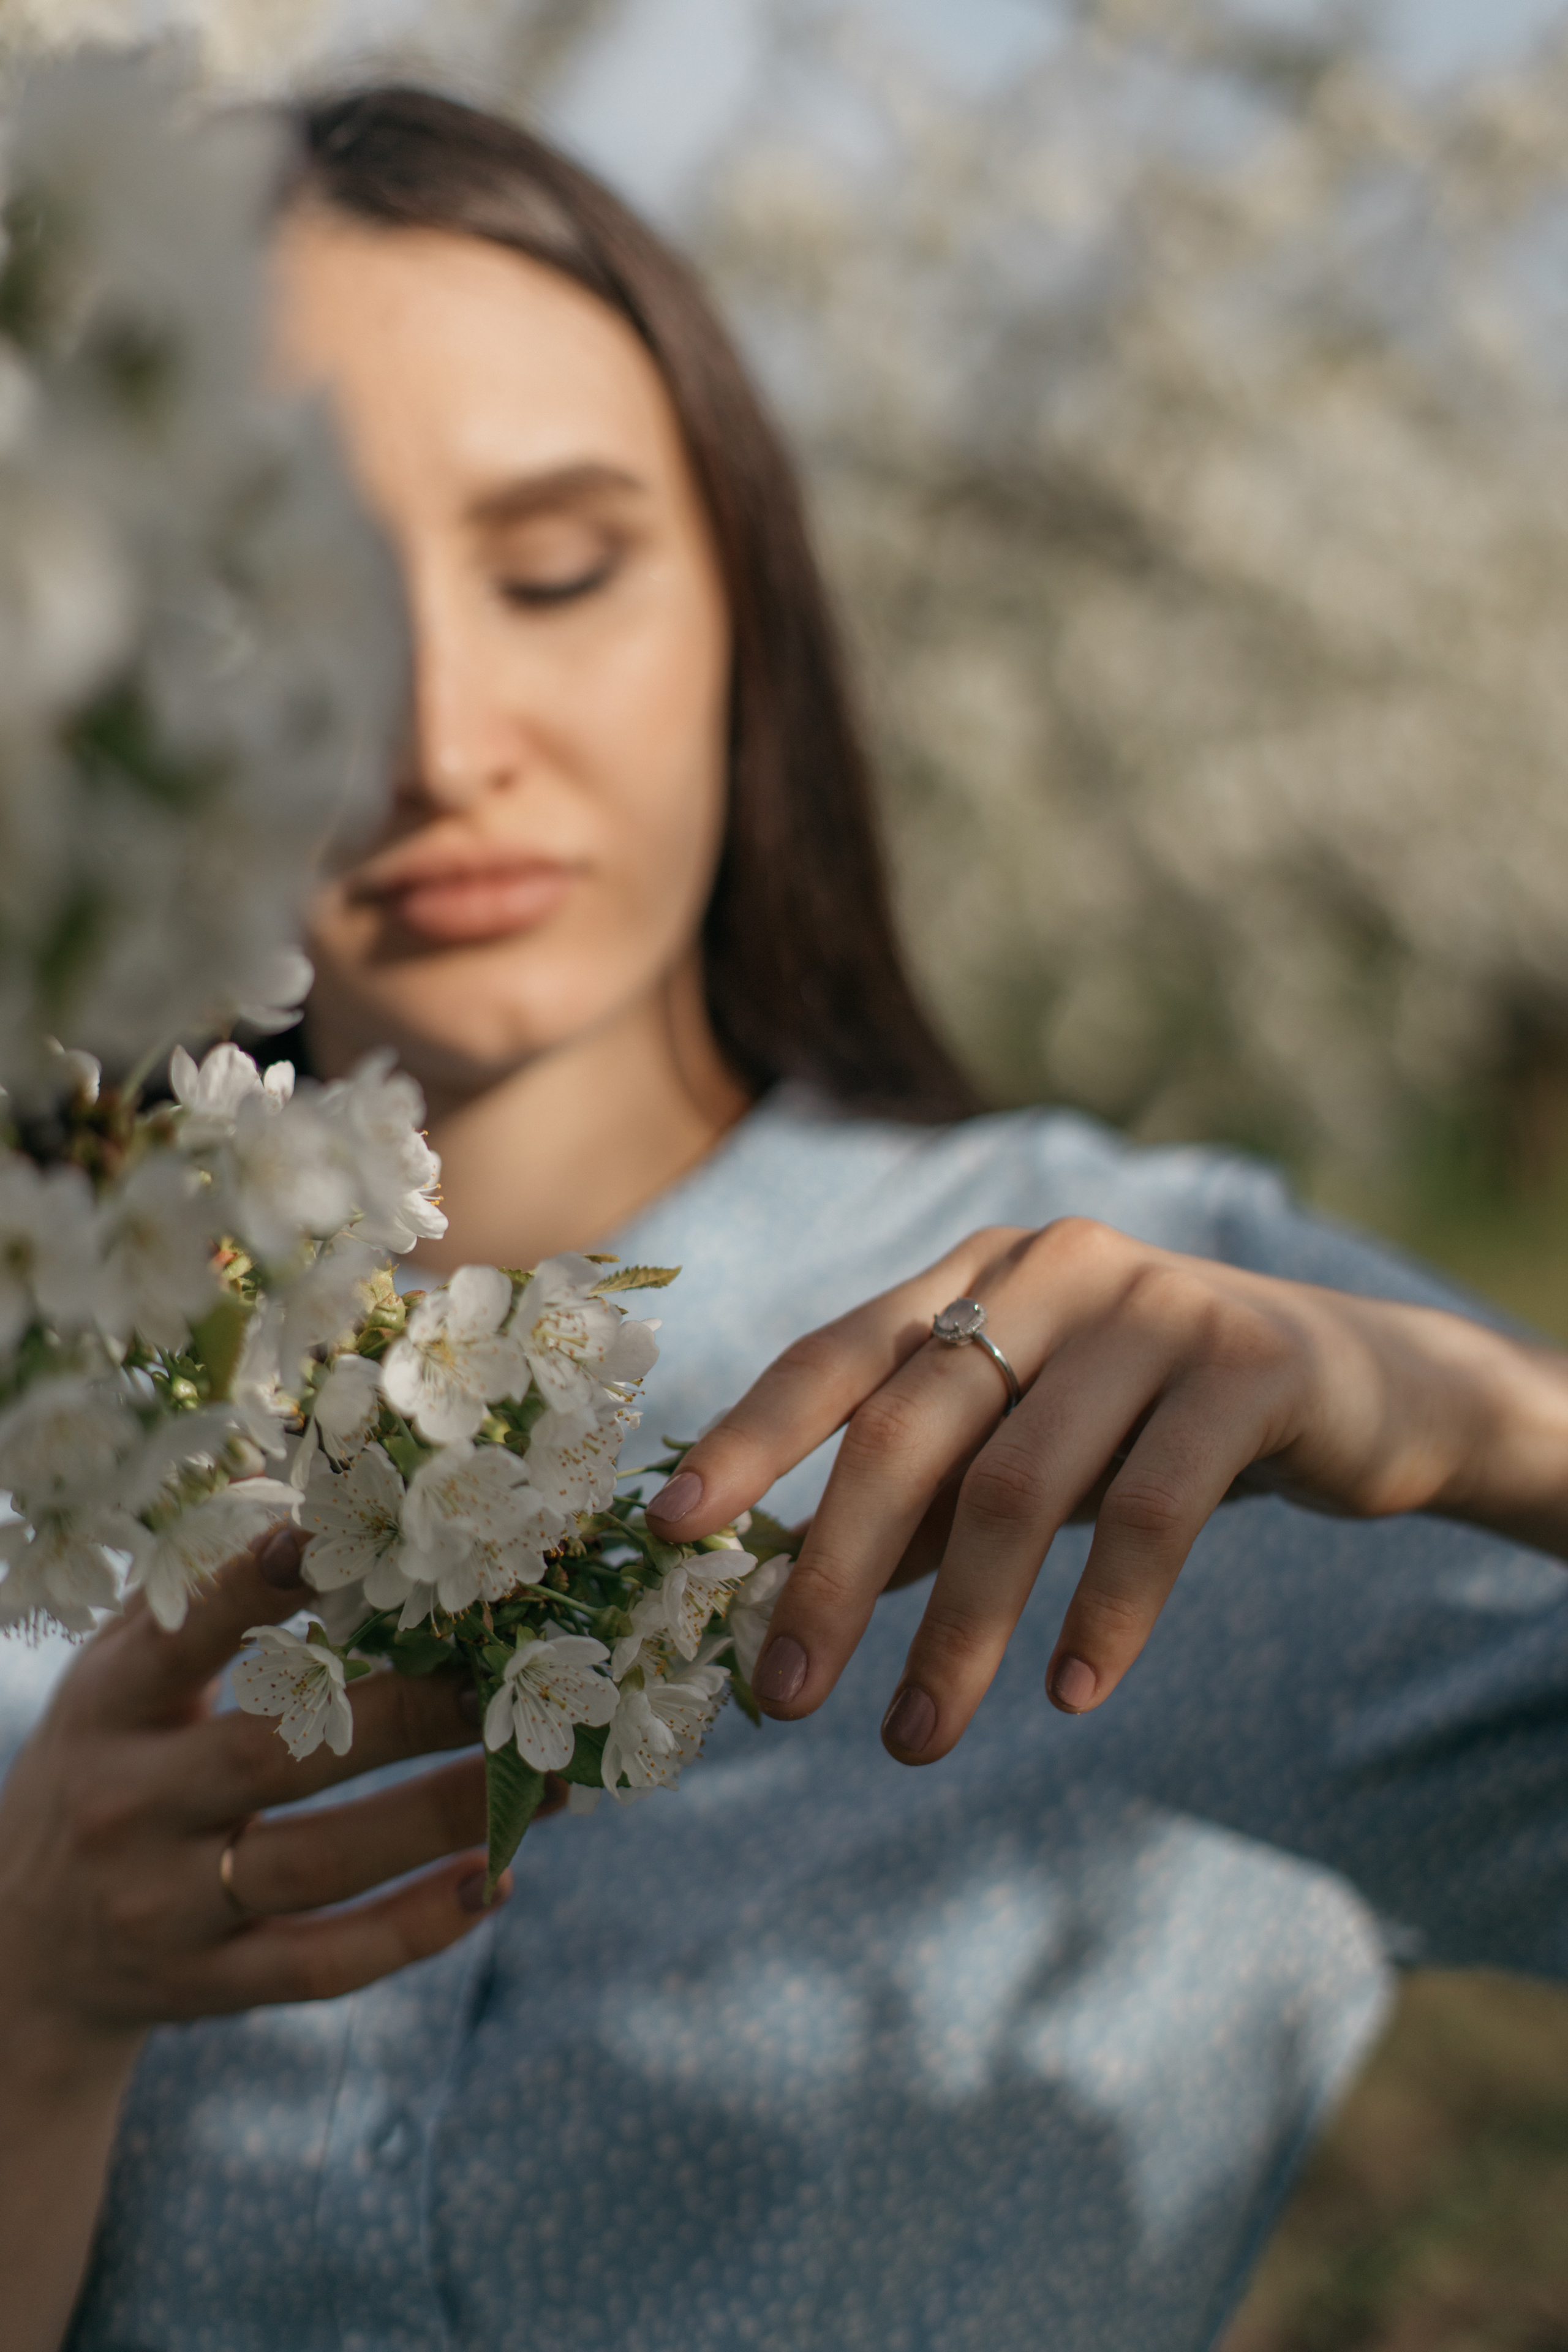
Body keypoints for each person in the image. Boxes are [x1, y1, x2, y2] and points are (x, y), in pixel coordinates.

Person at [4, 85, 1568, 2352]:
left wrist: (1507, 1429)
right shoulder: (65, 1397)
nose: (441, 729)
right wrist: (35, 2009)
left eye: (558, 568)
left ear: (748, 605)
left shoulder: (1179, 1376)